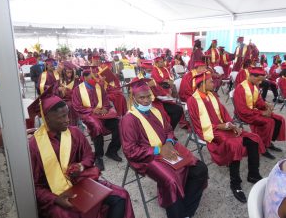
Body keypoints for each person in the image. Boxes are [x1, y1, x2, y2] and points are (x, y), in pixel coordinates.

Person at [27, 91, 135, 218]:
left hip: (80, 182)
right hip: (55, 193)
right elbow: (34, 186)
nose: (67, 120)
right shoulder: (35, 145)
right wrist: (55, 199)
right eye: (61, 117)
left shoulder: (75, 133)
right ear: (46, 118)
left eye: (67, 115)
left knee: (121, 196)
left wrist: (81, 166)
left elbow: (88, 156)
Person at [120, 78, 208, 218]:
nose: (146, 100)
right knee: (171, 180)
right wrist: (158, 150)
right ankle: (176, 213)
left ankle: (186, 210)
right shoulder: (129, 120)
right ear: (134, 98)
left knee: (200, 169)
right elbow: (131, 151)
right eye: (141, 97)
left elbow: (168, 130)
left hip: (167, 147)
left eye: (148, 96)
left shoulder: (156, 110)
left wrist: (168, 142)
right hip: (146, 157)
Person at [187, 71, 265, 203]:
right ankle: (235, 183)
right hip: (211, 131)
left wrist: (233, 125)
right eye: (210, 81)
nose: (213, 83)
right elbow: (198, 125)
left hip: (224, 127)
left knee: (253, 138)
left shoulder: (212, 95)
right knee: (234, 145)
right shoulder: (192, 101)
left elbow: (224, 113)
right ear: (202, 85)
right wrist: (219, 127)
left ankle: (253, 174)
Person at [72, 68, 122, 171]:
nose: (95, 77)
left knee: (119, 124)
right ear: (85, 77)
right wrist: (92, 110)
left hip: (103, 114)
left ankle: (112, 150)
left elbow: (106, 101)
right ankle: (98, 156)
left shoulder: (99, 86)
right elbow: (77, 106)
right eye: (92, 75)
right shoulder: (78, 89)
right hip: (89, 114)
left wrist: (105, 108)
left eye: (95, 75)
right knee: (96, 127)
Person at [234, 67, 286, 160]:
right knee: (269, 122)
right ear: (252, 77)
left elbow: (258, 101)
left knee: (279, 119)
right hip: (245, 114)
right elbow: (242, 110)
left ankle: (268, 142)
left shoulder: (254, 85)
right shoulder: (241, 88)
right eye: (259, 80)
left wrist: (266, 105)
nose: (260, 83)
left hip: (254, 111)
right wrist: (262, 113)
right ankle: (263, 147)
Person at [151, 56, 184, 130]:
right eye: (161, 62)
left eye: (163, 61)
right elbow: (159, 81)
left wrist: (170, 84)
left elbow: (170, 78)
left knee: (177, 109)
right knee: (175, 110)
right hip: (160, 95)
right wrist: (167, 83)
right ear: (156, 63)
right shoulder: (154, 70)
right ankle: (168, 130)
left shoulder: (165, 69)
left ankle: (170, 129)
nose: (163, 63)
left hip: (167, 90)